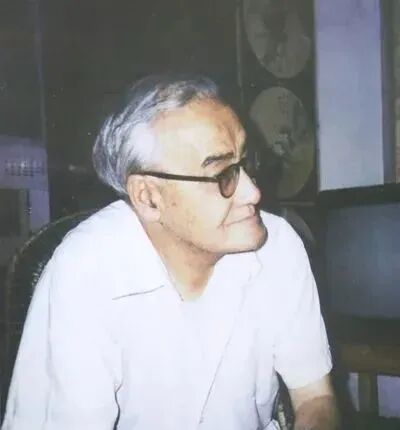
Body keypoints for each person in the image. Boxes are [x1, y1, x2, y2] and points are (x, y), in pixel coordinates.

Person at [2, 74, 339, 430]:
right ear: (149, 197)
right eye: (222, 174)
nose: (252, 192)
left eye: (246, 162)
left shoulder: (278, 245)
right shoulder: (86, 271)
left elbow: (315, 398)